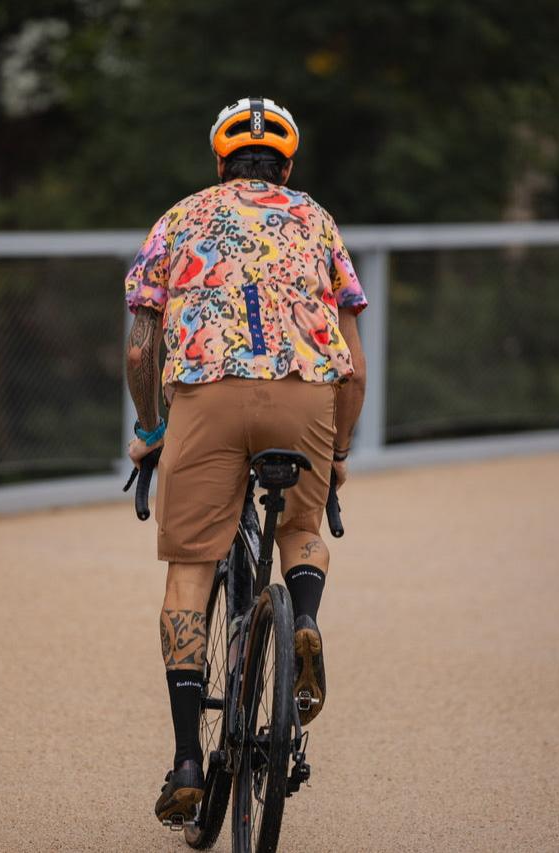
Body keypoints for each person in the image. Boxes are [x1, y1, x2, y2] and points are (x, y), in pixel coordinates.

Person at [124, 97, 367, 824]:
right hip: (303, 395)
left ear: (219, 161)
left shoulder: (178, 217)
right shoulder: (316, 219)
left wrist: (149, 426)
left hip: (205, 398)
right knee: (300, 528)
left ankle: (187, 762)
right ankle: (305, 624)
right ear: (286, 164)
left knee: (190, 571)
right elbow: (350, 361)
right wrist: (341, 446)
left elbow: (142, 344)